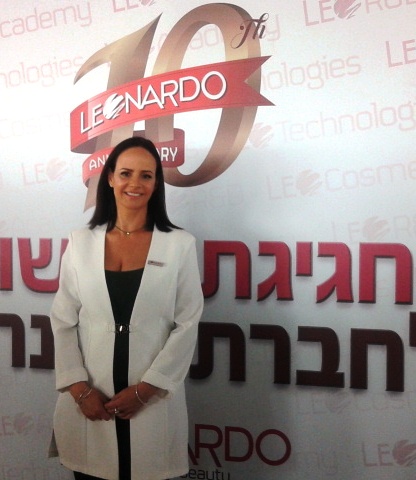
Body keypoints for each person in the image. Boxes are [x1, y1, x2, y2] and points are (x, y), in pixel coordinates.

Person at [49, 136, 204, 480]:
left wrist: (146, 390)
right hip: (90, 404)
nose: (135, 183)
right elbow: (62, 321)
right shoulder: (80, 242)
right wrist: (79, 389)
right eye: (126, 173)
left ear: (156, 183)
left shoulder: (179, 245)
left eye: (146, 175)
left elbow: (187, 323)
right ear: (109, 178)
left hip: (151, 406)